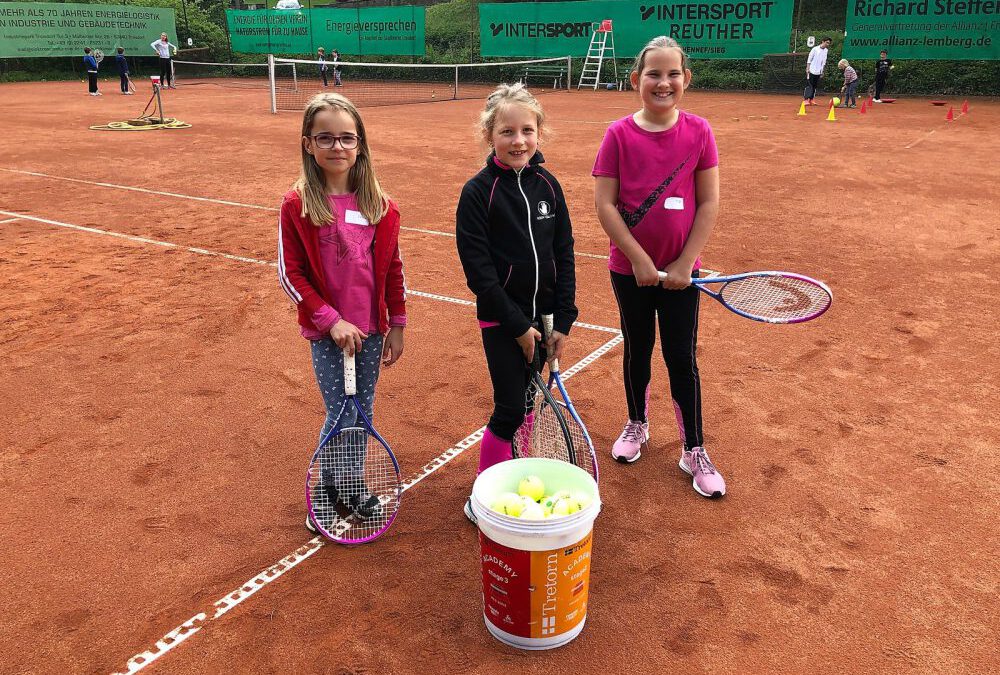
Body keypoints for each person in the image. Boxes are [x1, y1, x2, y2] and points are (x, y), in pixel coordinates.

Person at [592, 36, 725, 499]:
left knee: (681, 359)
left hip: (683, 276)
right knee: (638, 350)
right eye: (654, 73)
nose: (663, 82)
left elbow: (708, 202)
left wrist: (685, 262)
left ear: (686, 79)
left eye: (673, 74)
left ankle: (694, 448)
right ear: (636, 80)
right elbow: (605, 205)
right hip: (629, 272)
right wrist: (640, 260)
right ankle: (636, 423)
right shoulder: (618, 134)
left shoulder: (700, 131)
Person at [278, 93, 407, 529]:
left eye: (347, 138)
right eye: (326, 138)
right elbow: (290, 274)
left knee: (362, 411)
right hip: (329, 334)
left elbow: (393, 269)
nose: (337, 147)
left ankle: (350, 487)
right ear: (307, 144)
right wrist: (331, 321)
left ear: (360, 145)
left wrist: (398, 323)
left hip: (369, 332)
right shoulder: (296, 205)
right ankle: (326, 494)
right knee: (340, 413)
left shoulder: (381, 207)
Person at [456, 83, 578, 523]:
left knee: (527, 402)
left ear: (539, 133)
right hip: (502, 322)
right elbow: (480, 275)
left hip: (543, 321)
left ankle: (517, 476)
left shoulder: (549, 185)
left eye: (527, 130)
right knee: (509, 407)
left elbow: (564, 252)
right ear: (490, 134)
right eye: (507, 131)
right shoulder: (477, 193)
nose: (519, 140)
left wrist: (563, 318)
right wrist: (517, 326)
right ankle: (483, 501)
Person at [803, 37, 832, 106]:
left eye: (829, 43)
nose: (828, 44)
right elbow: (809, 59)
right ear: (823, 41)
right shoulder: (815, 49)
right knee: (809, 85)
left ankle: (811, 99)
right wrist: (807, 68)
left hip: (819, 71)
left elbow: (824, 62)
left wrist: (822, 71)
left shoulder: (826, 51)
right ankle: (806, 100)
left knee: (814, 86)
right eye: (827, 42)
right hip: (811, 70)